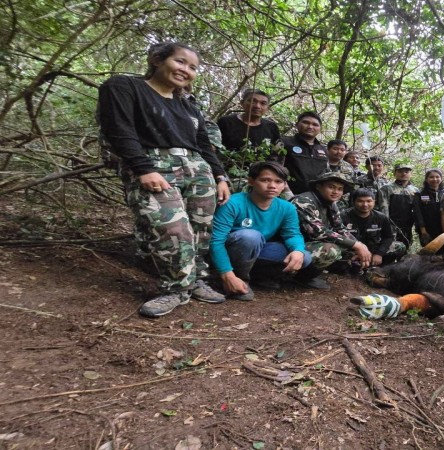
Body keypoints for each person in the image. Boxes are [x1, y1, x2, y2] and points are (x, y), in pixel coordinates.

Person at [97, 42, 231, 318]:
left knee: (200, 229)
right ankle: (175, 288)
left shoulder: (188, 106)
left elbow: (204, 143)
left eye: (193, 67)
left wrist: (220, 175)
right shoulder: (125, 87)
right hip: (154, 163)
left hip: (197, 167)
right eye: (180, 62)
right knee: (171, 228)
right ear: (157, 59)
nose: (186, 70)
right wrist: (143, 168)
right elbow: (118, 129)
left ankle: (197, 281)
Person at [209, 162, 313, 300]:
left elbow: (292, 234)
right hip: (232, 248)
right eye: (265, 180)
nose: (272, 186)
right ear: (251, 181)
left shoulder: (287, 208)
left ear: (284, 185)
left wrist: (298, 250)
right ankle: (234, 279)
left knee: (304, 257)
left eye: (278, 181)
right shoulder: (233, 203)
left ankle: (259, 276)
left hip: (258, 248)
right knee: (250, 237)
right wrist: (226, 274)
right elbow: (216, 241)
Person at [291, 172, 372, 287]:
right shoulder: (303, 201)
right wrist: (356, 245)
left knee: (353, 249)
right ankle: (301, 277)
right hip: (293, 244)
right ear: (318, 187)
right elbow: (318, 231)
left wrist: (359, 245)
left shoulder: (331, 204)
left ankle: (330, 269)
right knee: (331, 250)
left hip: (309, 243)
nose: (336, 192)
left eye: (340, 189)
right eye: (331, 187)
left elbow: (340, 228)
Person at [217, 88, 281, 182]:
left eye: (263, 103)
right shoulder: (226, 122)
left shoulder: (271, 127)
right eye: (252, 101)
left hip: (260, 177)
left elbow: (277, 154)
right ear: (242, 103)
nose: (257, 106)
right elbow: (215, 149)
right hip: (228, 175)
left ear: (268, 107)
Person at [342, 188, 407, 266]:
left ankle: (381, 265)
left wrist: (379, 254)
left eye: (369, 201)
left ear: (374, 202)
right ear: (353, 202)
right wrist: (357, 252)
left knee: (400, 246)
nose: (365, 205)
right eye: (360, 201)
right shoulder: (343, 216)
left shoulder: (381, 217)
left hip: (372, 248)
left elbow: (388, 237)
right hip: (352, 249)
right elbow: (338, 237)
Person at [275, 111, 329, 197]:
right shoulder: (284, 142)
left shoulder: (323, 150)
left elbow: (326, 174)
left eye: (315, 124)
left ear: (320, 129)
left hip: (316, 197)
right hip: (288, 195)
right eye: (306, 122)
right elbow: (275, 168)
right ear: (297, 125)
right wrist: (287, 193)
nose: (310, 127)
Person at [376, 163, 419, 247]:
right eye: (400, 171)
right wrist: (386, 225)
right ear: (395, 173)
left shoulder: (415, 190)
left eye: (406, 172)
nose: (403, 174)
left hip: (408, 225)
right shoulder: (386, 188)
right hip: (391, 224)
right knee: (390, 247)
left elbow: (417, 209)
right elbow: (383, 207)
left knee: (406, 246)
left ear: (411, 174)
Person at [413, 168, 444, 246]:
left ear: (441, 178)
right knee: (428, 253)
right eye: (431, 177)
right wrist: (423, 231)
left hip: (443, 229)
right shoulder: (420, 195)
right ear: (426, 179)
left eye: (437, 177)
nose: (435, 179)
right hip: (427, 230)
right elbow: (417, 214)